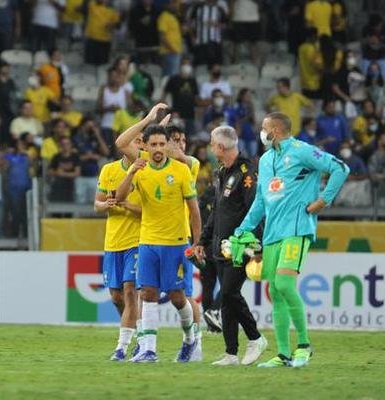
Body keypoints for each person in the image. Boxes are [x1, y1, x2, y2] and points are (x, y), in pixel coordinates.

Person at [227, 112, 349, 368]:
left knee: (283, 283)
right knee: (275, 291)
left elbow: (340, 167)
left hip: (297, 227)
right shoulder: (267, 159)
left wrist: (323, 200)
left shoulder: (302, 151)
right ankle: (283, 353)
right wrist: (242, 229)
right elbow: (261, 200)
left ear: (275, 130)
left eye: (264, 128)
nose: (261, 133)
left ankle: (304, 346)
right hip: (272, 233)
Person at [112, 108, 202, 364]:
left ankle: (189, 340)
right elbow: (118, 197)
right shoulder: (139, 166)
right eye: (153, 144)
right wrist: (149, 120)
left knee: (176, 297)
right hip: (148, 241)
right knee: (147, 294)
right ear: (147, 147)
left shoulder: (183, 170)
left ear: (168, 146)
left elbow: (194, 211)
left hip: (176, 243)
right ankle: (149, 350)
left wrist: (196, 243)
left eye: (163, 143)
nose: (158, 148)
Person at [196, 126, 267, 366]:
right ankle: (231, 353)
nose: (210, 148)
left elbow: (256, 210)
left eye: (212, 144)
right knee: (226, 299)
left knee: (228, 292)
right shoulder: (222, 172)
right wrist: (202, 241)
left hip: (241, 246)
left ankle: (255, 338)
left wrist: (254, 244)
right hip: (220, 246)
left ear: (220, 147)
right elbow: (217, 211)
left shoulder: (247, 173)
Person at [98, 123, 143, 362]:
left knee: (129, 291)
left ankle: (122, 347)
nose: (134, 145)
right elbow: (96, 203)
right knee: (116, 296)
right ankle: (133, 330)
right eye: (133, 141)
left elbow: (150, 211)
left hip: (136, 240)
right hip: (112, 241)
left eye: (138, 141)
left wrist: (127, 205)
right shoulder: (108, 170)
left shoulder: (145, 171)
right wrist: (105, 205)